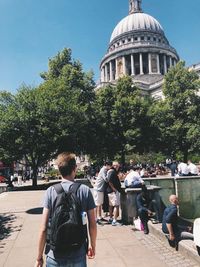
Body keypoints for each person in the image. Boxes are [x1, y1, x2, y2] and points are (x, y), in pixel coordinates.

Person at [35, 152, 97, 267]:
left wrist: (39, 257)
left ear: (59, 170)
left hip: (54, 255)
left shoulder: (50, 191)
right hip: (78, 253)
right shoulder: (85, 190)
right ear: (75, 168)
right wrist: (92, 245)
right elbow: (92, 224)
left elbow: (43, 228)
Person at [107, 161, 123, 226]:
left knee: (111, 206)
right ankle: (114, 220)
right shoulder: (112, 172)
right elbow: (110, 181)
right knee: (116, 206)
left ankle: (111, 218)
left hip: (110, 191)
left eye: (117, 166)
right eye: (116, 166)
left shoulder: (110, 171)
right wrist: (114, 189)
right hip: (113, 191)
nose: (117, 167)